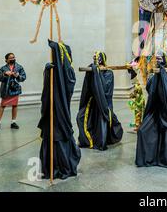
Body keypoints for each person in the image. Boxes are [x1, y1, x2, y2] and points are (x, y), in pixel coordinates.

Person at [38, 40, 81, 179]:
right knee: (50, 135)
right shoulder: (54, 69)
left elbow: (67, 85)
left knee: (58, 134)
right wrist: (48, 72)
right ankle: (49, 168)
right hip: (51, 111)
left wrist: (55, 73)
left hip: (60, 111)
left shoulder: (68, 71)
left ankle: (62, 166)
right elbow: (47, 90)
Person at [77, 51, 123, 151]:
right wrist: (94, 72)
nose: (95, 58)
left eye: (97, 57)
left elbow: (105, 90)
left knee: (102, 120)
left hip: (104, 104)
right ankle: (86, 140)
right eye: (94, 57)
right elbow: (89, 86)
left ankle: (101, 141)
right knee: (80, 117)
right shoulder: (93, 71)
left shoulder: (109, 73)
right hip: (92, 102)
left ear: (102, 59)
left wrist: (96, 74)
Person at [0, 53, 26, 132]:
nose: (12, 59)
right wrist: (5, 74)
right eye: (10, 58)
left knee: (15, 105)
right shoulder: (3, 68)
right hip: (6, 90)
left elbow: (23, 77)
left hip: (15, 89)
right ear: (6, 60)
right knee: (2, 105)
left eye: (13, 57)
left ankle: (13, 122)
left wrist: (17, 76)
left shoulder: (19, 67)